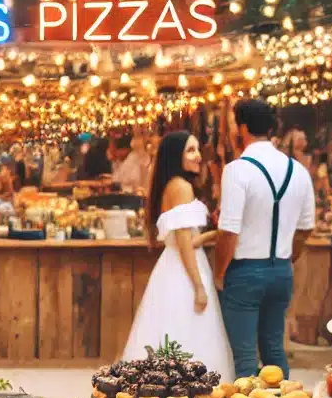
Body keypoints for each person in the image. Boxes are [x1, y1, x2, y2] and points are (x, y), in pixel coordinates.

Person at [213, 99, 316, 379]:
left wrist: (219, 274)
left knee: (244, 358)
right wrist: (288, 256)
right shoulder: (299, 172)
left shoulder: (237, 170)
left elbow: (229, 231)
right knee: (273, 351)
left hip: (244, 272)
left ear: (242, 128)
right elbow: (307, 228)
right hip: (281, 271)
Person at [123, 132, 233, 378]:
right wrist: (198, 286)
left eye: (197, 150)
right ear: (176, 156)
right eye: (190, 151)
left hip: (176, 263)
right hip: (185, 269)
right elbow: (184, 240)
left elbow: (188, 238)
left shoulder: (173, 185)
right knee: (188, 330)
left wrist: (212, 234)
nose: (197, 157)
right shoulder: (181, 187)